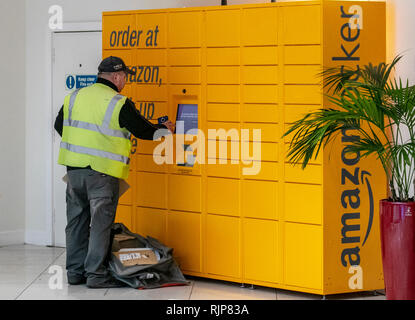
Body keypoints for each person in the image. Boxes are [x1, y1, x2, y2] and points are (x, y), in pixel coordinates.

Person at [54, 56, 174, 288]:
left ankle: (75, 273)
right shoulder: (118, 101)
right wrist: (165, 131)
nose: (125, 82)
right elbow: (142, 130)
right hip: (101, 174)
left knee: (76, 223)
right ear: (117, 77)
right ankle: (96, 276)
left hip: (74, 172)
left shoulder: (74, 97)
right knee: (100, 224)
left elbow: (60, 126)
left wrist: (82, 147)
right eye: (125, 78)